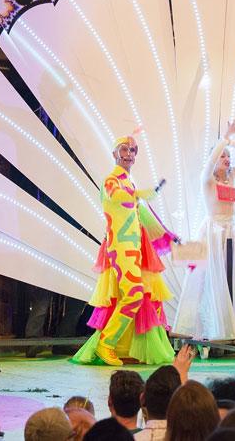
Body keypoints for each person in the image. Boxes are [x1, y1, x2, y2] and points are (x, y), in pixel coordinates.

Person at [72, 135, 176, 366]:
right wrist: (140, 194)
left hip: (133, 249)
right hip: (120, 249)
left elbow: (143, 216)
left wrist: (167, 235)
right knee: (134, 295)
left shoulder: (129, 183)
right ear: (114, 154)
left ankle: (119, 347)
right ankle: (106, 344)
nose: (130, 153)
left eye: (133, 150)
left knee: (134, 296)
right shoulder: (111, 180)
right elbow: (119, 198)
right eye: (125, 149)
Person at [173, 118, 235, 343]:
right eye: (222, 156)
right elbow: (211, 161)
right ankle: (212, 327)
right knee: (210, 280)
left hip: (232, 231)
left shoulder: (232, 176)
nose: (226, 159)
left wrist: (232, 144)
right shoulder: (207, 180)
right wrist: (224, 140)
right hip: (213, 232)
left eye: (228, 157)